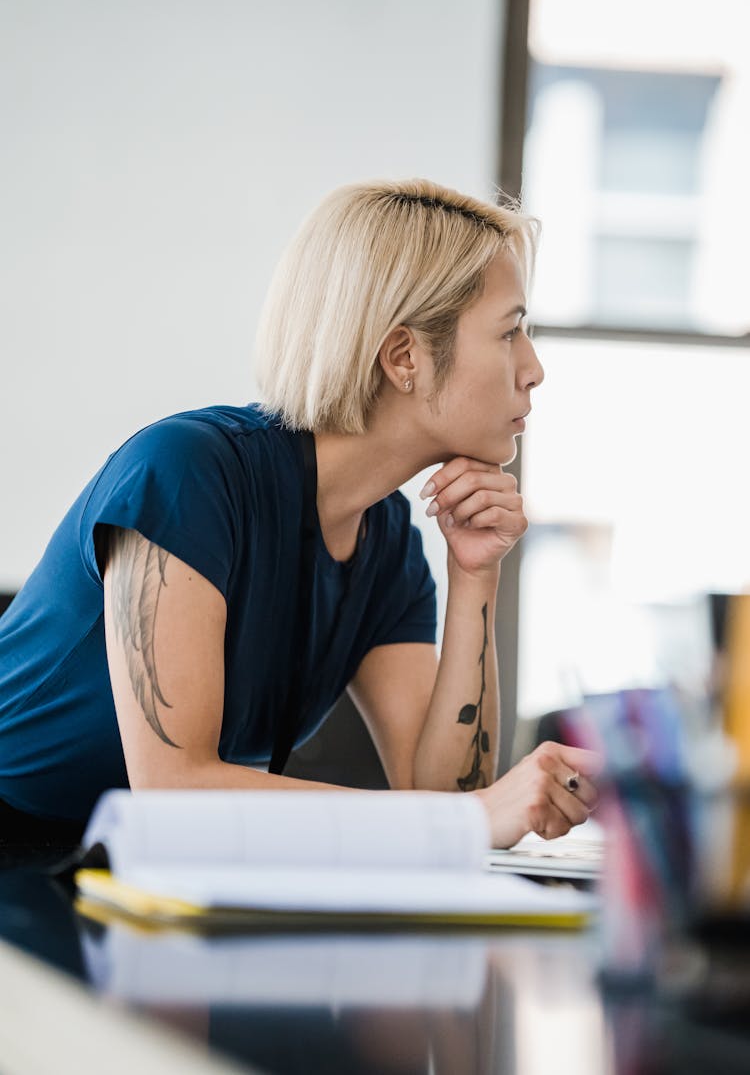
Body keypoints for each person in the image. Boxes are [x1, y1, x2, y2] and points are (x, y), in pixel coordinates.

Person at [0, 178, 600, 846]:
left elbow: (442, 802)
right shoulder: (183, 473)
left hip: (132, 871)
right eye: (511, 332)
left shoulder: (388, 542)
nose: (534, 368)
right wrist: (470, 815)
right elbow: (174, 789)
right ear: (404, 356)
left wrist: (476, 576)